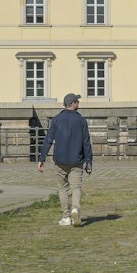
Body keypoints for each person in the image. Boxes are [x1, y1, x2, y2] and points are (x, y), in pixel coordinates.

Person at [39, 92, 94, 226]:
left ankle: (66, 216)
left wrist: (42, 158)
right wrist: (89, 162)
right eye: (77, 102)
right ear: (72, 104)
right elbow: (86, 142)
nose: (78, 104)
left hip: (60, 160)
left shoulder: (56, 119)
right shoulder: (81, 120)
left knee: (63, 188)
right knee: (76, 187)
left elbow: (48, 140)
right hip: (77, 159)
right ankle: (75, 208)